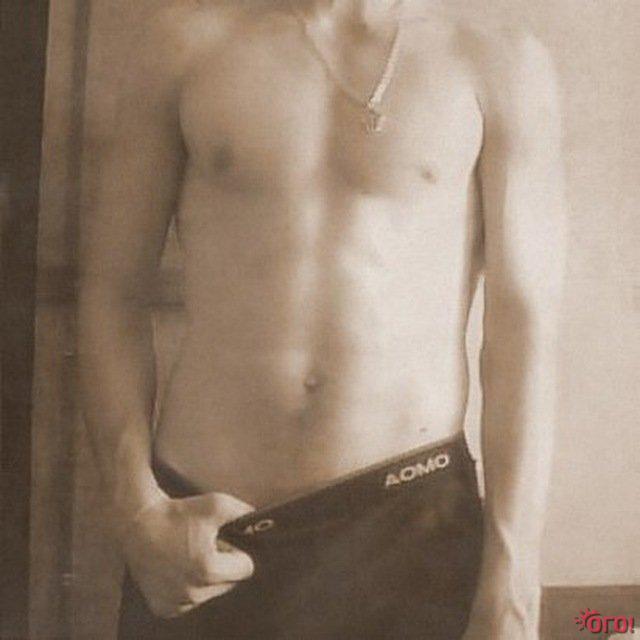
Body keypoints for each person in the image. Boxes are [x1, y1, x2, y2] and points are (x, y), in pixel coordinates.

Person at [78, 0, 566, 638]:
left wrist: (514, 579)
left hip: (408, 531)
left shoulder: (496, 60)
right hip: (201, 530)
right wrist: (136, 512)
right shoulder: (184, 43)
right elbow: (111, 292)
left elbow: (523, 332)